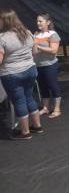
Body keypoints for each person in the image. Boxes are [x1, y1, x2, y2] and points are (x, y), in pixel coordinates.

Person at [0, 9, 43, 140]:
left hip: (12, 74)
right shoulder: (27, 33)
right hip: (30, 70)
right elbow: (35, 52)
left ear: (5, 21)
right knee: (29, 97)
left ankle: (25, 132)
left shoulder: (2, 38)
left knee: (19, 101)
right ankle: (37, 126)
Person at [34, 13, 62, 118]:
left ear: (48, 22)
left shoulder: (53, 34)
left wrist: (38, 47)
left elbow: (53, 50)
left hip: (50, 65)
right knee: (43, 87)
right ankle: (45, 108)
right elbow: (34, 49)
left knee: (53, 85)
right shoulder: (36, 33)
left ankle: (57, 109)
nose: (38, 23)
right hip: (38, 65)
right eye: (37, 21)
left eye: (40, 21)